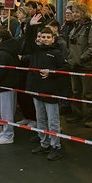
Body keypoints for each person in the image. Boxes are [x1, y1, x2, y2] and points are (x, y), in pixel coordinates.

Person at [26, 26, 68, 161]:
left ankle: (56, 146)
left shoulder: (56, 53)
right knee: (41, 119)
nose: (45, 39)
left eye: (48, 37)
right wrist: (31, 26)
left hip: (51, 92)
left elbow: (65, 69)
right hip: (37, 90)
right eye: (42, 37)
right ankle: (44, 143)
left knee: (53, 121)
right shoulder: (35, 51)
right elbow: (28, 41)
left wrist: (52, 73)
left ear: (53, 39)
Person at [66, 3, 92, 127]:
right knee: (75, 92)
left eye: (77, 12)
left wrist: (82, 58)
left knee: (88, 93)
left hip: (84, 66)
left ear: (83, 13)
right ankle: (78, 114)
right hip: (73, 65)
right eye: (73, 12)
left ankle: (91, 117)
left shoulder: (90, 28)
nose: (74, 14)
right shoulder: (74, 27)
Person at [0, 29, 21, 144]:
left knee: (6, 111)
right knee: (8, 110)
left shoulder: (2, 53)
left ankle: (8, 134)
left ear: (1, 39)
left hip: (5, 84)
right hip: (10, 84)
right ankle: (7, 131)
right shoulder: (10, 50)